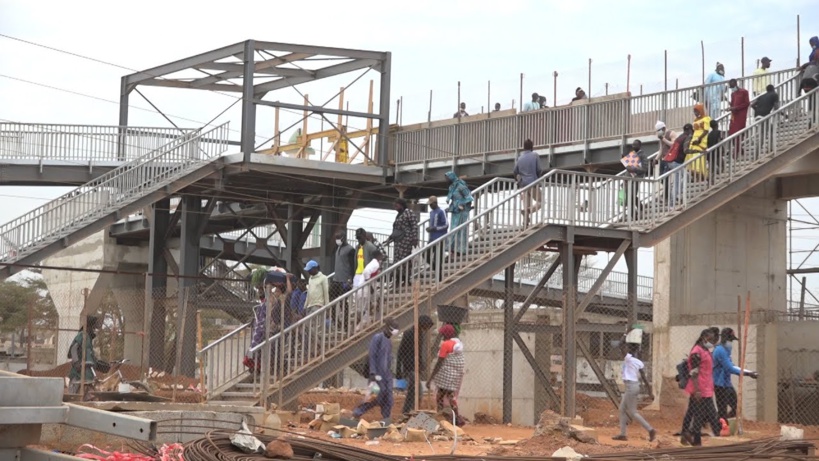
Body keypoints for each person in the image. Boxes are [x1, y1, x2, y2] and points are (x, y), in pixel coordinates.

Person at [353, 318, 400, 424]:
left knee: (388, 398)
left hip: (386, 375)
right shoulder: (377, 338)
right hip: (377, 374)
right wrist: (372, 372)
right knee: (376, 396)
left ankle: (386, 419)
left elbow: (388, 360)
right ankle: (358, 411)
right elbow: (372, 355)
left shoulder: (388, 342)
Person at [680, 328, 722, 446]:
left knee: (694, 412)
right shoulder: (697, 352)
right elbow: (694, 372)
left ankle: (686, 435)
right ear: (704, 338)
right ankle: (697, 439)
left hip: (705, 387)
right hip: (699, 388)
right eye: (711, 339)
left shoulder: (705, 350)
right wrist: (697, 390)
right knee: (706, 413)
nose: (713, 342)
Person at [612, 342, 656, 442]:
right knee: (622, 409)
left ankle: (650, 429)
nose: (624, 350)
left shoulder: (628, 358)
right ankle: (623, 434)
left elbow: (620, 345)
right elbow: (644, 377)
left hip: (631, 387)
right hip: (633, 386)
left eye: (627, 348)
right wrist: (650, 391)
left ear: (629, 350)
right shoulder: (638, 362)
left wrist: (626, 333)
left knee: (633, 412)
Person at [713, 328, 758, 420]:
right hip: (719, 384)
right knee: (722, 410)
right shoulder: (720, 350)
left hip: (727, 383)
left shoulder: (726, 350)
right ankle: (719, 425)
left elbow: (732, 366)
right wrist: (747, 374)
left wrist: (748, 372)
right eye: (730, 340)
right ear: (725, 338)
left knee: (736, 407)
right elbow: (729, 368)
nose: (731, 342)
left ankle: (721, 421)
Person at [396, 314, 435, 415]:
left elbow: (418, 351)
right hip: (409, 367)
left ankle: (406, 412)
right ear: (422, 324)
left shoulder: (420, 334)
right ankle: (411, 412)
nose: (427, 329)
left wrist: (421, 363)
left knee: (412, 392)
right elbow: (400, 351)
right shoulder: (409, 333)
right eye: (426, 326)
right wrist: (398, 370)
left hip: (415, 366)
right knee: (418, 393)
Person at [428, 324, 466, 426]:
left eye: (442, 333)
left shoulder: (445, 345)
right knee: (450, 397)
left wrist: (430, 379)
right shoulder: (458, 343)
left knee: (440, 398)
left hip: (446, 377)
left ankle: (442, 420)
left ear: (445, 334)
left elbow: (439, 363)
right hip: (456, 376)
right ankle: (457, 419)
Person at [67, 316, 110, 394]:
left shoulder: (88, 339)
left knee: (87, 392)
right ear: (90, 326)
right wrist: (76, 362)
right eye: (94, 327)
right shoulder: (82, 335)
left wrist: (99, 364)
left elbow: (90, 357)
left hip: (87, 373)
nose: (95, 330)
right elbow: (73, 348)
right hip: (78, 372)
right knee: (75, 393)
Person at [385, 198, 418, 286]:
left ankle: (406, 279)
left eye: (397, 205)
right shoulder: (398, 215)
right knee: (397, 261)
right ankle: (398, 279)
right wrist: (390, 238)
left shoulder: (408, 213)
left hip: (406, 241)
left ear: (401, 204)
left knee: (405, 261)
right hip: (398, 242)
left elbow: (414, 226)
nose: (395, 207)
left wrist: (414, 238)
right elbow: (396, 229)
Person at [444, 172, 474, 258]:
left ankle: (460, 250)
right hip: (455, 212)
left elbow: (469, 198)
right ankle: (453, 250)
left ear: (451, 177)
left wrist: (461, 204)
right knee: (453, 231)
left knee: (460, 231)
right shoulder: (452, 187)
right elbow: (453, 200)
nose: (446, 180)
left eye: (447, 178)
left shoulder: (461, 186)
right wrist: (450, 207)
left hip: (462, 211)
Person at [514, 139, 544, 222]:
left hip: (523, 184)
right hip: (533, 183)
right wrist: (538, 178)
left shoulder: (519, 158)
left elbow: (515, 171)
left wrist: (519, 182)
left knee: (526, 203)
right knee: (540, 201)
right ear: (532, 147)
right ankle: (529, 211)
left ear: (524, 147)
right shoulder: (535, 155)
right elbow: (539, 170)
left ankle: (525, 222)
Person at [332, 231, 356, 330]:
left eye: (338, 238)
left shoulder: (350, 250)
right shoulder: (338, 248)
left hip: (345, 280)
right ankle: (335, 321)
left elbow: (352, 265)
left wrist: (351, 278)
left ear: (343, 238)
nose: (337, 240)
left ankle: (345, 324)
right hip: (336, 279)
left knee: (343, 302)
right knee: (332, 301)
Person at [353, 228, 377, 316]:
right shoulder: (357, 247)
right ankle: (361, 311)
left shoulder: (370, 246)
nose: (358, 240)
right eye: (357, 238)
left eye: (360, 237)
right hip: (358, 273)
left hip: (366, 274)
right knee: (356, 295)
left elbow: (378, 258)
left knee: (365, 295)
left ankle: (367, 311)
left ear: (364, 236)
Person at [621, 139, 648, 219]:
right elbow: (628, 168)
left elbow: (644, 169)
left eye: (635, 145)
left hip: (636, 178)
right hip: (628, 178)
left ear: (640, 146)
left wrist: (634, 169)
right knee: (627, 195)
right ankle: (636, 210)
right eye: (633, 145)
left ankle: (634, 214)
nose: (634, 146)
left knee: (632, 195)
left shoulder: (643, 155)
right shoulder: (632, 154)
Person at [686, 103, 711, 182]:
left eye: (697, 111)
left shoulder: (706, 119)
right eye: (695, 112)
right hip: (694, 139)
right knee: (690, 155)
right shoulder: (695, 120)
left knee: (697, 157)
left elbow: (706, 130)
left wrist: (699, 139)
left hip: (701, 140)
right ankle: (697, 176)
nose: (696, 114)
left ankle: (702, 176)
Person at [426, 196, 448, 281]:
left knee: (437, 258)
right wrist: (430, 229)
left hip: (440, 238)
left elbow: (446, 225)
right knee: (426, 255)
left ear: (435, 203)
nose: (430, 206)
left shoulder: (441, 211)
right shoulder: (431, 213)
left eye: (431, 204)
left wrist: (435, 228)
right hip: (432, 238)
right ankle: (436, 269)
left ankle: (439, 278)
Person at [706, 120, 722, 184]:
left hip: (710, 153)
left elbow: (707, 144)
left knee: (711, 168)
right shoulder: (718, 132)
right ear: (717, 125)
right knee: (722, 165)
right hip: (716, 153)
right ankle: (716, 176)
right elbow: (719, 141)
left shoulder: (709, 134)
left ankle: (710, 179)